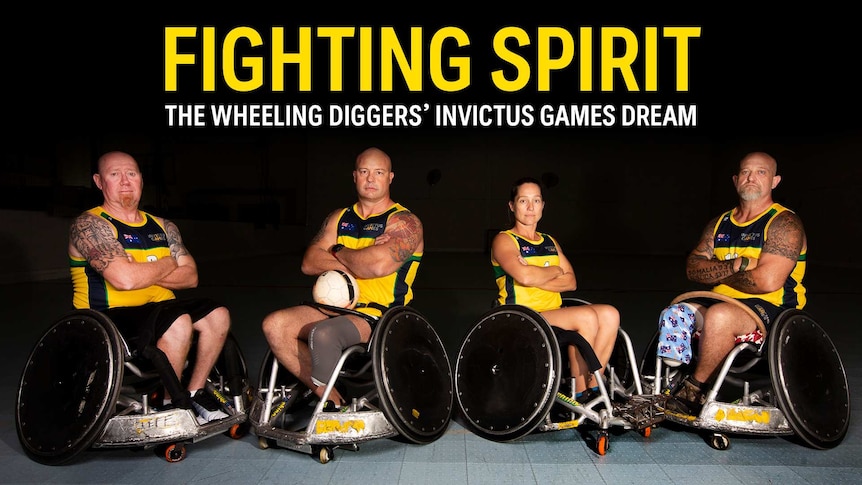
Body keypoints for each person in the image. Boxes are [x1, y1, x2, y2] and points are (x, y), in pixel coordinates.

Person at [68, 150, 231, 424]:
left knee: (218, 313)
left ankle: (193, 391)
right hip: (108, 315)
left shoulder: (163, 226)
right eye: (114, 174)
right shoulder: (89, 224)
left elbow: (191, 277)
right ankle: (170, 404)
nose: (124, 181)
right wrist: (168, 263)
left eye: (131, 173)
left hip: (160, 307)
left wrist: (142, 270)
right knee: (177, 320)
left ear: (141, 179)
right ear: (99, 181)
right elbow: (125, 280)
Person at [261, 147, 423, 407]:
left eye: (378, 172)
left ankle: (327, 403)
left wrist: (337, 250)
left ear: (390, 177)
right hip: (332, 308)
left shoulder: (404, 222)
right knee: (275, 325)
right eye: (364, 172)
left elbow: (379, 267)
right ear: (354, 176)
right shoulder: (339, 218)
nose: (371, 179)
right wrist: (358, 257)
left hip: (378, 315)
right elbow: (309, 261)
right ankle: (329, 397)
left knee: (324, 334)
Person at [661, 151, 807, 415]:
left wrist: (716, 271)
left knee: (719, 317)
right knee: (676, 312)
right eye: (745, 172)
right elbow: (693, 268)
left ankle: (694, 389)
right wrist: (736, 265)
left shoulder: (784, 223)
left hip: (771, 310)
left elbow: (767, 281)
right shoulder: (720, 223)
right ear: (736, 179)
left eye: (761, 172)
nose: (751, 178)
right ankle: (670, 377)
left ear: (775, 181)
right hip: (723, 302)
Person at [491, 177, 620, 402]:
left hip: (556, 312)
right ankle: (579, 393)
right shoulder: (504, 240)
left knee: (610, 314)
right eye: (523, 201)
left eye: (536, 200)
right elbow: (524, 276)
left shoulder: (549, 241)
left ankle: (593, 386)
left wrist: (536, 274)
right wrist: (553, 271)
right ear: (512, 206)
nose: (530, 207)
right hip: (523, 315)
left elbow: (571, 282)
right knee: (587, 317)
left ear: (543, 205)